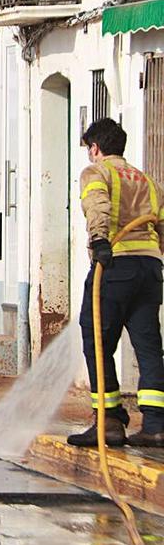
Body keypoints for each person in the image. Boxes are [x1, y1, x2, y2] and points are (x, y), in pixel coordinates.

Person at [68, 118, 164, 448]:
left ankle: (108, 423)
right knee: (149, 346)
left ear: (96, 148)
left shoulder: (97, 173)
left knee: (96, 338)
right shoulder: (145, 179)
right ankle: (155, 425)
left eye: (89, 150)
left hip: (116, 264)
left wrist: (99, 241)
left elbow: (97, 205)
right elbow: (160, 222)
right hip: (150, 269)